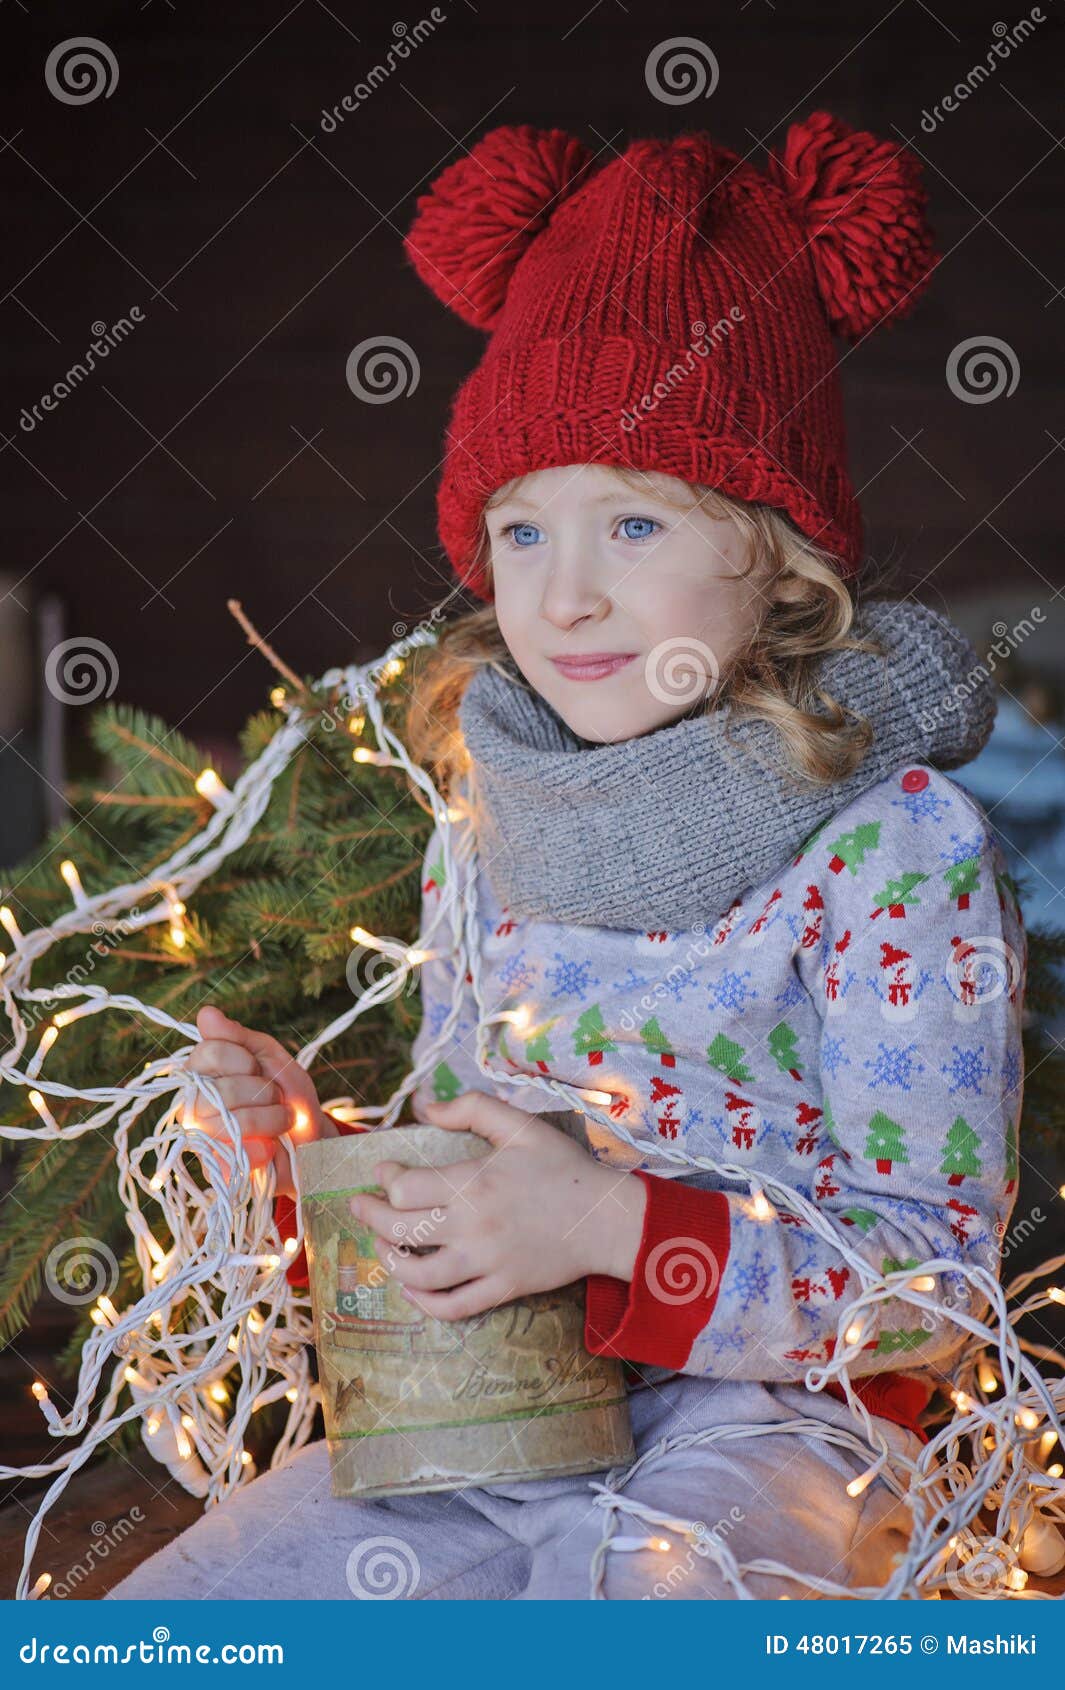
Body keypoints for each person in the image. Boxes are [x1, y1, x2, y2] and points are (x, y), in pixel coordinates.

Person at [108, 115, 1024, 1601]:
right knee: (191, 1609)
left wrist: (610, 1223)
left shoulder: (890, 844)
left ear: (777, 550)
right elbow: (473, 1188)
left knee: (659, 1603)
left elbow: (926, 1295)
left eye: (636, 518)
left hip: (779, 1423)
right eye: (521, 530)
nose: (569, 593)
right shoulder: (489, 816)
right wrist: (310, 1171)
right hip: (498, 1404)